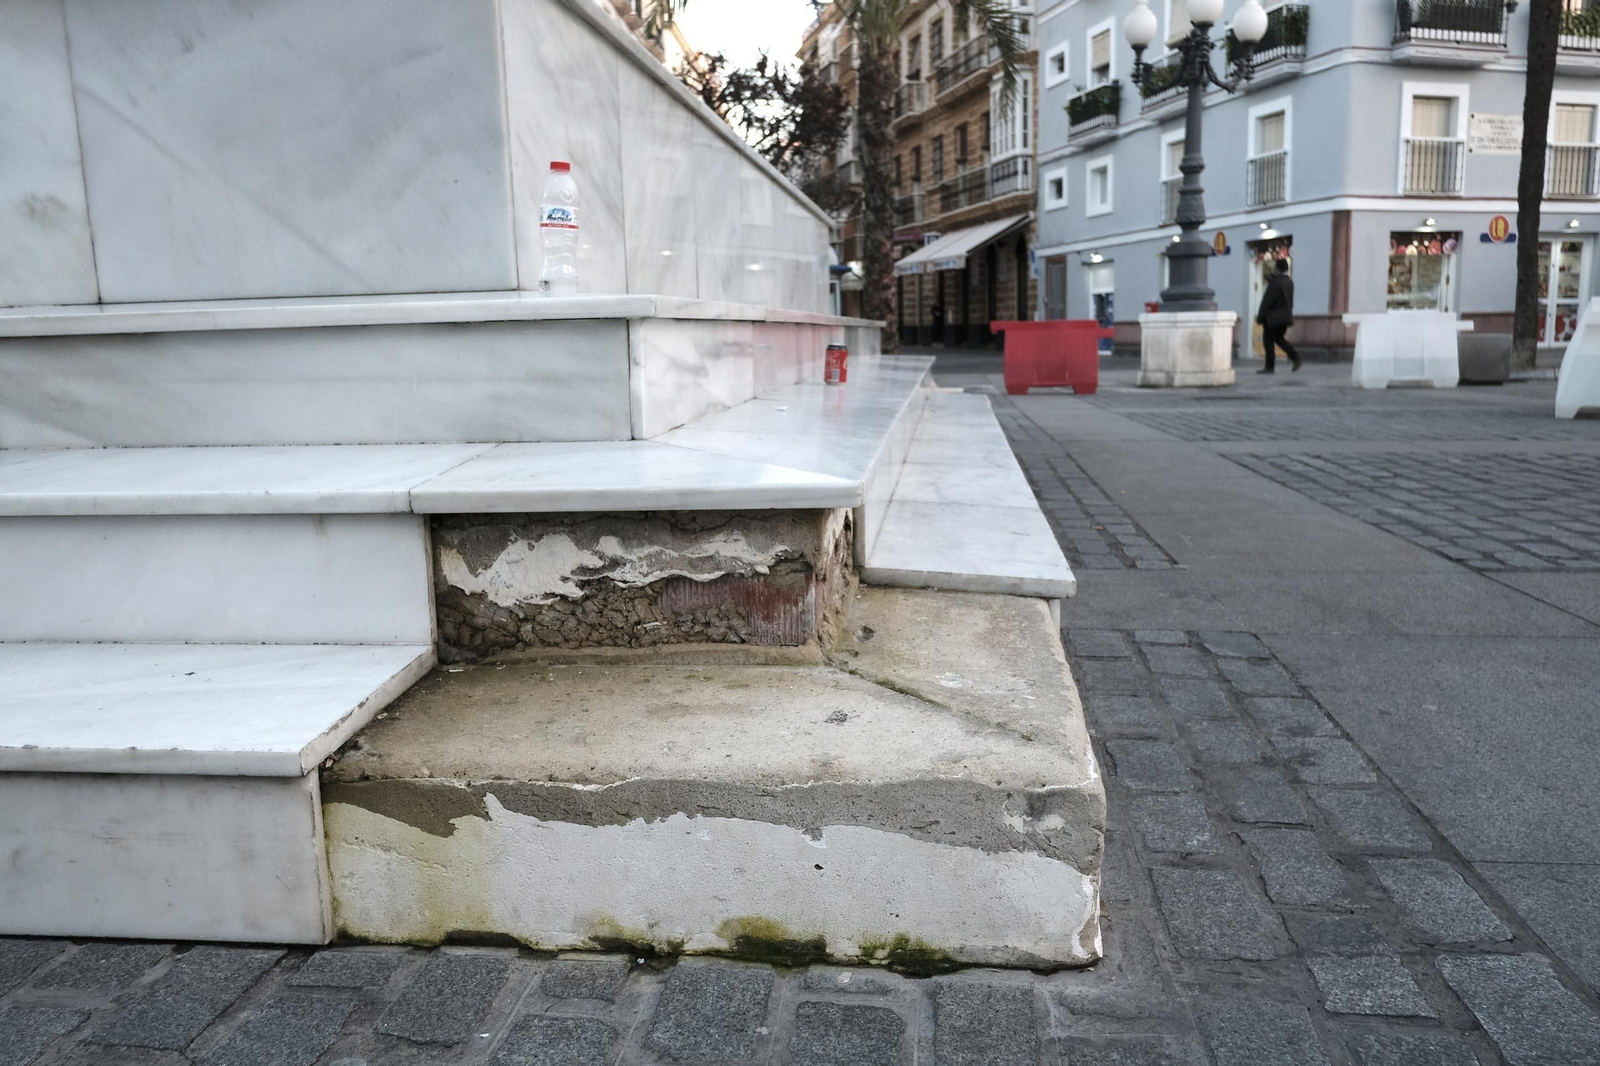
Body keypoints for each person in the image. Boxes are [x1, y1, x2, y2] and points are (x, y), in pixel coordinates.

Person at [1255, 258, 1301, 374]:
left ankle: (1269, 366)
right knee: (1279, 339)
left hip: (1273, 317)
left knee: (1268, 341)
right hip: (1285, 317)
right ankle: (1295, 357)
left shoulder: (1276, 282)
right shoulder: (1289, 282)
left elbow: (1268, 301)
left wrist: (1260, 316)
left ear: (1277, 268)